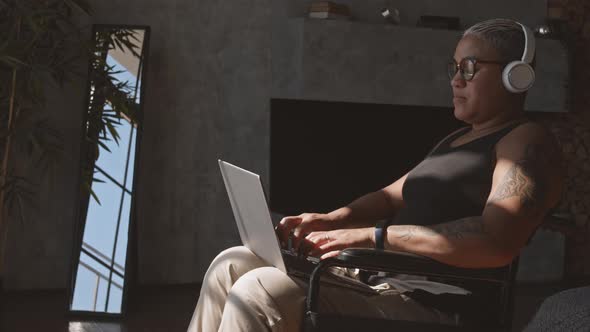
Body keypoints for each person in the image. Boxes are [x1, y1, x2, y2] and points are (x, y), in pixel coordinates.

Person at [187, 18, 564, 332]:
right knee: (232, 263)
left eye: (470, 68)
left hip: (438, 306)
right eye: (454, 67)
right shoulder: (455, 140)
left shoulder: (526, 142)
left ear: (517, 77)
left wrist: (371, 237)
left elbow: (496, 241)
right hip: (378, 280)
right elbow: (388, 197)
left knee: (259, 289)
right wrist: (331, 219)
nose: (456, 79)